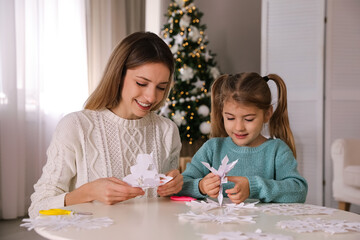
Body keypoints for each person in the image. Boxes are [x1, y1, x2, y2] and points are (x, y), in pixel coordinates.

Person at [28, 31, 183, 218]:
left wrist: (174, 187)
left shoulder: (167, 130)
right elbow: (38, 208)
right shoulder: (75, 126)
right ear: (118, 75)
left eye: (161, 87)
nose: (152, 97)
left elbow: (166, 206)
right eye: (142, 83)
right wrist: (89, 192)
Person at [178, 72, 308, 204]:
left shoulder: (277, 151)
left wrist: (254, 187)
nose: (239, 127)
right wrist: (200, 186)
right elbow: (180, 185)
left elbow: (299, 191)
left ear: (267, 114)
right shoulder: (212, 148)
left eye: (248, 119)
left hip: (265, 224)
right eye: (230, 118)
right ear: (222, 112)